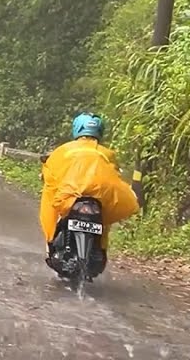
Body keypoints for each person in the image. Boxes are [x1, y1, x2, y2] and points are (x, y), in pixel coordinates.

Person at [38, 113, 139, 273]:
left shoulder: (63, 151)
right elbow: (115, 174)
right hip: (98, 199)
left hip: (71, 198)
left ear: (77, 128)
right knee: (104, 221)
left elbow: (49, 173)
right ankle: (101, 249)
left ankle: (51, 241)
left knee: (50, 198)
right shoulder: (108, 153)